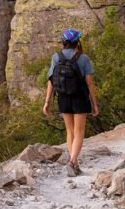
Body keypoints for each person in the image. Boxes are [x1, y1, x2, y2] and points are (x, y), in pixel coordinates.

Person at [42, 28, 99, 176]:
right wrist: (94, 103)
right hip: (80, 97)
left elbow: (51, 81)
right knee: (79, 131)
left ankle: (75, 165)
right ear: (77, 42)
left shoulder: (56, 57)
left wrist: (47, 102)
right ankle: (72, 162)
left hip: (63, 97)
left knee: (70, 131)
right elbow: (89, 83)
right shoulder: (83, 58)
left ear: (64, 42)